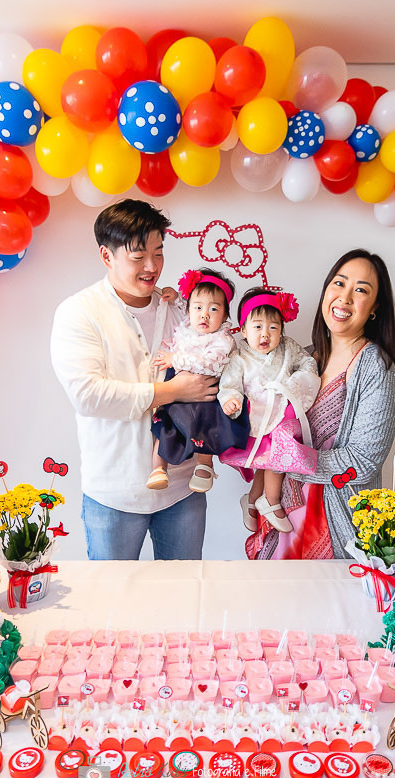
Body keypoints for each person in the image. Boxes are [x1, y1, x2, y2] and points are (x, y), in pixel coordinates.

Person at [50, 199, 217, 560]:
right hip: (114, 493)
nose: (152, 266)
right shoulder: (80, 313)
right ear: (106, 256)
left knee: (184, 598)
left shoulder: (181, 308)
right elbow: (87, 395)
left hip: (183, 487)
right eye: (138, 256)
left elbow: (217, 359)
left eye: (159, 252)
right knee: (113, 607)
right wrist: (170, 392)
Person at [245, 249, 395, 560]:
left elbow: (363, 462)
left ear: (374, 309)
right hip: (282, 511)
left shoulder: (376, 367)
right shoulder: (302, 357)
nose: (345, 297)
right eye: (339, 283)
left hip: (335, 522)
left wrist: (294, 461)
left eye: (360, 290)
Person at [219, 287, 321, 533]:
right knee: (265, 460)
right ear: (243, 329)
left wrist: (298, 382)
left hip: (282, 413)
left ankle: (260, 500)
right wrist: (231, 399)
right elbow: (229, 382)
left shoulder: (288, 348)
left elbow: (307, 362)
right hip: (255, 417)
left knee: (277, 453)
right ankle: (266, 500)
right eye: (257, 327)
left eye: (273, 328)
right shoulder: (238, 356)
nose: (266, 334)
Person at [148, 268, 249, 493]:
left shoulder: (222, 339)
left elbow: (209, 364)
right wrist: (176, 298)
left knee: (208, 425)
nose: (204, 315)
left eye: (214, 309)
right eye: (198, 308)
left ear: (224, 316)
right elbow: (187, 307)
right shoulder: (188, 325)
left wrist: (176, 359)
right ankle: (158, 468)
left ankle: (204, 466)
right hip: (177, 385)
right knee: (165, 422)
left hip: (207, 389)